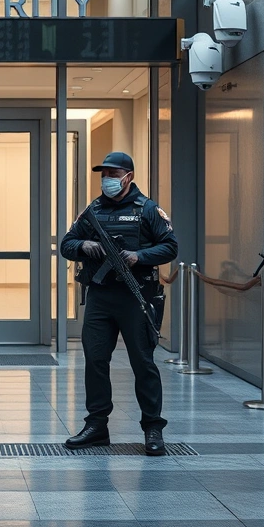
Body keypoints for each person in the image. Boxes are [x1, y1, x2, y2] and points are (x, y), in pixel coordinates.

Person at [59, 152, 178, 456]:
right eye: (104, 174)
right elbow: (67, 244)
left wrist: (140, 256)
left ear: (128, 176)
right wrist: (85, 245)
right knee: (96, 361)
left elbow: (170, 246)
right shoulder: (93, 211)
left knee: (143, 362)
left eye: (113, 174)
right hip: (100, 296)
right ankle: (96, 426)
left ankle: (152, 427)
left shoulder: (148, 210)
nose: (107, 180)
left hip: (136, 295)